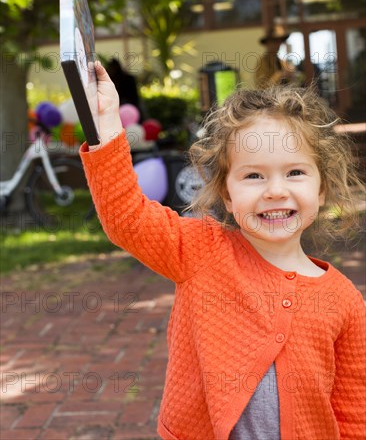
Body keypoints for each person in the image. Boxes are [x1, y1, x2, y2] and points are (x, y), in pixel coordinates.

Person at [80, 62, 366, 440]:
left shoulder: (344, 300)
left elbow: (354, 412)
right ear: (228, 195)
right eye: (253, 175)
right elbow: (126, 217)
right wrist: (105, 123)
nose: (275, 190)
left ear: (322, 189)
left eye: (295, 172)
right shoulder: (200, 251)